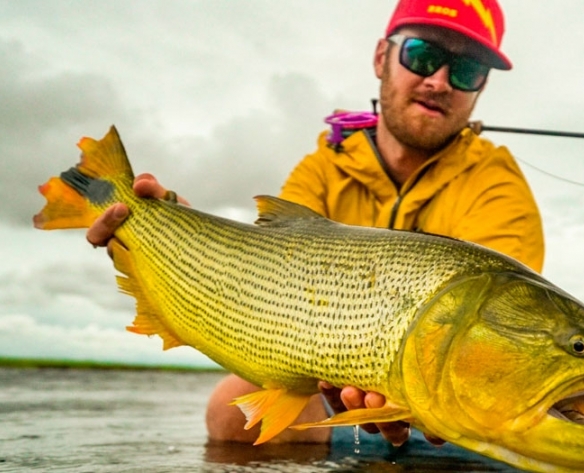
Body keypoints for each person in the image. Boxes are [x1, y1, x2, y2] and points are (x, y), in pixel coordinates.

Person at [87, 0, 544, 448]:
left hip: (453, 408)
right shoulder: (322, 166)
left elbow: (495, 334)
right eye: (422, 56)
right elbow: (266, 270)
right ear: (381, 57)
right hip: (332, 390)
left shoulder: (499, 184)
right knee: (231, 414)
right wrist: (176, 235)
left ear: (481, 87)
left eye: (466, 70)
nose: (439, 81)